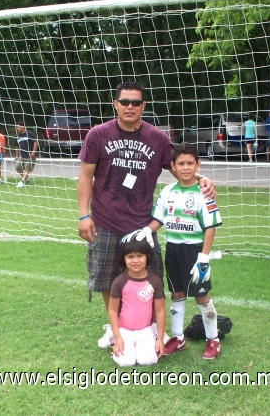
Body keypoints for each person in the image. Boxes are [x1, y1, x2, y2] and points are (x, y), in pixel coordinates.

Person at [77, 80, 215, 348]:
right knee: (108, 279)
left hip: (142, 225)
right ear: (115, 104)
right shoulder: (98, 134)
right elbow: (85, 177)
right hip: (105, 221)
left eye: (136, 103)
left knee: (150, 280)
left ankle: (152, 328)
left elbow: (179, 168)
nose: (130, 107)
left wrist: (202, 179)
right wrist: (84, 215)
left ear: (143, 106)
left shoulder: (157, 138)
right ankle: (115, 326)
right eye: (124, 102)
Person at [147, 142, 223, 360]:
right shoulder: (167, 191)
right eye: (181, 163)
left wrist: (204, 258)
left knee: (202, 296)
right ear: (173, 165)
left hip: (194, 251)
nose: (186, 167)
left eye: (191, 163)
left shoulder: (204, 192)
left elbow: (210, 227)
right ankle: (178, 338)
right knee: (177, 294)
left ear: (198, 165)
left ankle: (213, 339)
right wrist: (145, 231)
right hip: (173, 250)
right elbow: (158, 219)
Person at [107, 233, 165, 366]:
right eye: (130, 256)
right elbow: (112, 310)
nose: (135, 260)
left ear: (147, 257)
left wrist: (160, 339)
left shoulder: (155, 281)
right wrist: (118, 337)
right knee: (126, 362)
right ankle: (112, 340)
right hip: (124, 330)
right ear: (124, 259)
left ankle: (146, 342)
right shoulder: (119, 281)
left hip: (145, 330)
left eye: (140, 256)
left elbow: (160, 311)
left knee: (147, 360)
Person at [14, 121, 38, 187]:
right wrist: (16, 155)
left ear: (23, 127)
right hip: (22, 156)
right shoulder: (17, 136)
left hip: (30, 156)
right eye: (16, 127)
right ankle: (25, 178)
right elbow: (16, 146)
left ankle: (22, 181)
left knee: (27, 169)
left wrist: (33, 152)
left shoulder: (29, 133)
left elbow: (35, 142)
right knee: (17, 167)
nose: (17, 129)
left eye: (18, 127)